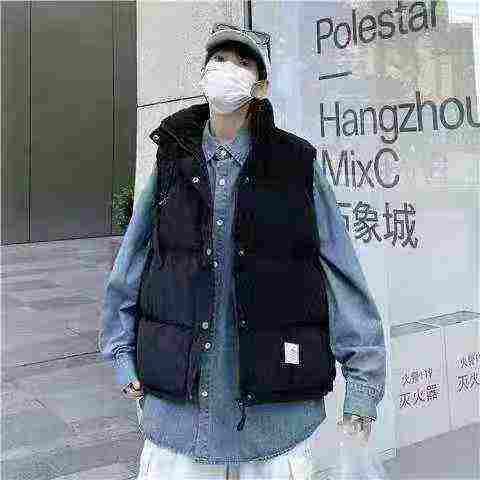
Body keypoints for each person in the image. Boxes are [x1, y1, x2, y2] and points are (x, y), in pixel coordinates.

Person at [98, 22, 386, 480]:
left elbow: (340, 272)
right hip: (180, 417)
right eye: (219, 60)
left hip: (275, 420)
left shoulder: (296, 165)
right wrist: (120, 352)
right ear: (202, 73)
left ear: (261, 84)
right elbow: (133, 259)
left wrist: (363, 384)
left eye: (243, 62)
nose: (228, 69)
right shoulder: (172, 160)